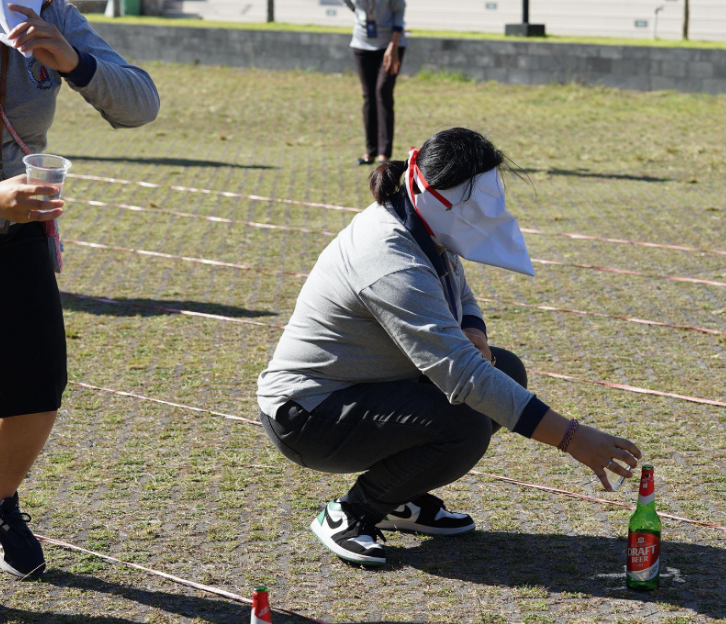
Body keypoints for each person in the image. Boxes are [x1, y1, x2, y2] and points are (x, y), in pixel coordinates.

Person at [257, 128, 642, 566]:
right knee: (465, 422)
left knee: (506, 370)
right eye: (473, 207)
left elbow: (461, 290)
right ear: (437, 195)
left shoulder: (422, 220)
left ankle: (397, 498)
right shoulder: (387, 254)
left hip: (362, 390)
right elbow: (463, 376)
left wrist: (474, 329)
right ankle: (352, 513)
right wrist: (571, 437)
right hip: (306, 415)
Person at [0, 0, 159, 622]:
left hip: (21, 234)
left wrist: (77, 62)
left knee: (37, 389)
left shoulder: (52, 16)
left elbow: (141, 105)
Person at [342, 0, 407, 166]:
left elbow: (399, 12)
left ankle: (384, 154)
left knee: (382, 91)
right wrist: (359, 13)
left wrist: (393, 45)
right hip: (362, 44)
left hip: (391, 45)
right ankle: (370, 152)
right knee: (369, 96)